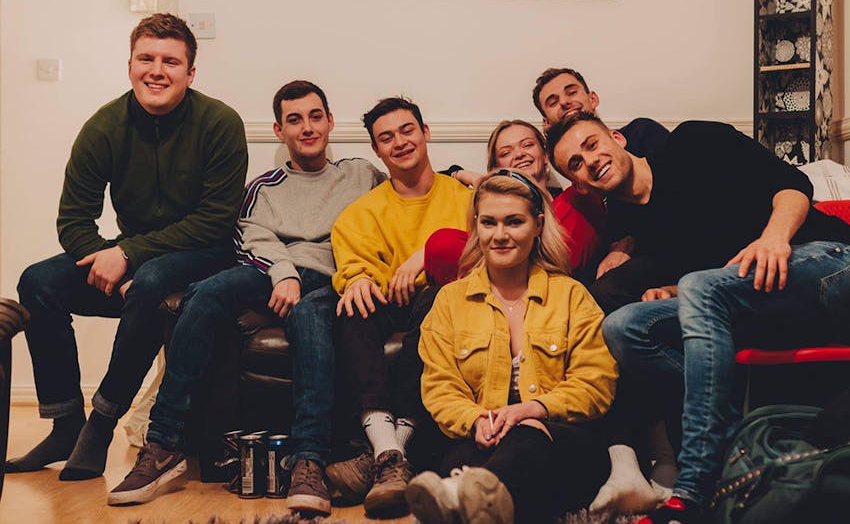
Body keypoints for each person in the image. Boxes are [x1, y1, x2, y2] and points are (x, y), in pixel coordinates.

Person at [547, 112, 850, 524]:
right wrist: (670, 292)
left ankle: (695, 488)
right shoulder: (641, 227)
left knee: (697, 286)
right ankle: (731, 425)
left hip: (825, 260)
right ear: (579, 184)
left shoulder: (693, 142)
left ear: (616, 138)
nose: (589, 160)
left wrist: (774, 239)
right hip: (759, 297)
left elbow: (793, 185)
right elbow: (714, 271)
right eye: (575, 165)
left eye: (591, 144)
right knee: (625, 325)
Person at [105, 80, 384, 513]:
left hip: (332, 278)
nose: (306, 128)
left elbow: (412, 190)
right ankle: (165, 444)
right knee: (205, 293)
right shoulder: (264, 186)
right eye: (294, 120)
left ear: (329, 122)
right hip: (272, 271)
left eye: (315, 117)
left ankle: (308, 460)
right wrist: (283, 273)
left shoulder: (362, 174)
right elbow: (249, 235)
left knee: (311, 320)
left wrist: (462, 173)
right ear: (278, 131)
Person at [10, 13, 248, 481]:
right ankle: (64, 423)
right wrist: (108, 255)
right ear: (130, 65)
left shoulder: (220, 122)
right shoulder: (104, 126)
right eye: (147, 58)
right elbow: (73, 219)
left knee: (152, 278)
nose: (157, 70)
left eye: (171, 61)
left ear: (190, 73)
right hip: (136, 252)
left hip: (207, 251)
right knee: (37, 282)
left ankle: (101, 422)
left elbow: (215, 220)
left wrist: (130, 256)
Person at [407, 170, 618, 524]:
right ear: (476, 227)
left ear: (537, 226)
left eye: (514, 222)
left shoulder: (570, 295)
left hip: (561, 439)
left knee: (527, 440)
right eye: (488, 222)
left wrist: (532, 411)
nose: (500, 235)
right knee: (459, 460)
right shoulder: (450, 301)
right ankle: (478, 500)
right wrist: (476, 420)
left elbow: (596, 383)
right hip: (482, 440)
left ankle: (459, 496)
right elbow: (440, 387)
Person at [327, 97, 473, 515]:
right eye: (386, 138)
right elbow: (353, 265)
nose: (400, 142)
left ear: (426, 133)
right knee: (353, 309)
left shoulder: (465, 198)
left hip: (444, 300)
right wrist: (355, 281)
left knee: (438, 303)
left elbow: (477, 254)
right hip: (389, 297)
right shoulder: (361, 212)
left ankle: (382, 457)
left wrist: (426, 258)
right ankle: (389, 450)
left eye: (407, 130)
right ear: (376, 150)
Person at [532, 67, 671, 311]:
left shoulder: (641, 133)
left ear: (592, 99)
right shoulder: (579, 187)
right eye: (553, 102)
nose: (565, 102)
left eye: (571, 92)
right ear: (546, 122)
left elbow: (678, 190)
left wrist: (629, 243)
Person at [426, 119, 606, 284]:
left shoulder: (574, 204)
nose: (519, 154)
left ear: (545, 156)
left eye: (527, 145)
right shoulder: (486, 219)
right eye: (506, 152)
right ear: (496, 168)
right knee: (442, 243)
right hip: (493, 300)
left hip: (558, 298)